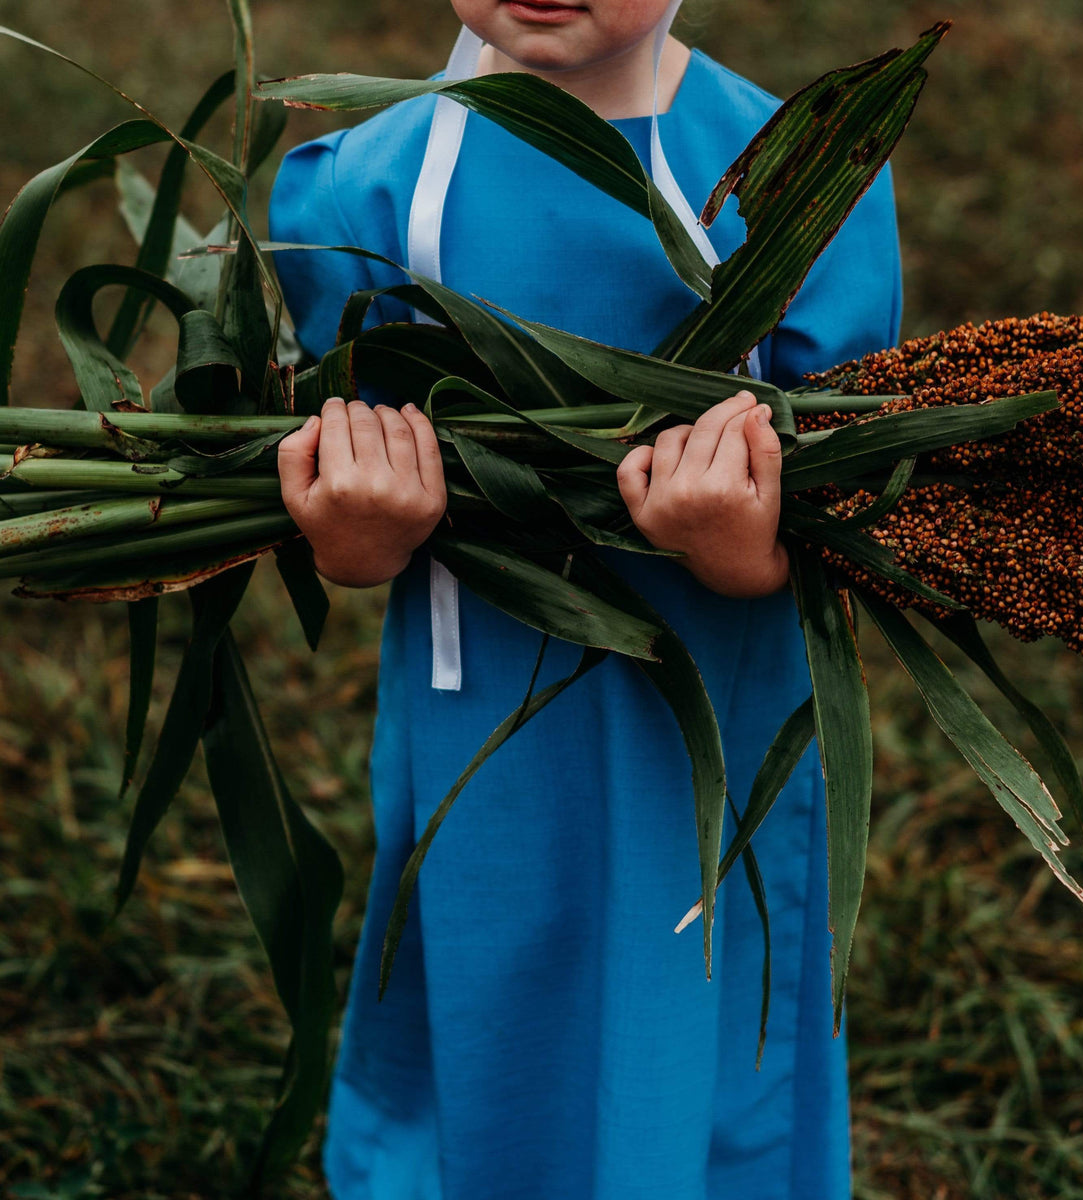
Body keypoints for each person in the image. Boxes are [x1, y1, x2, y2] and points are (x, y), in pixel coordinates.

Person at [269, 0, 901, 1195]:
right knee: (491, 968)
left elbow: (858, 526)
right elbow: (343, 476)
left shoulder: (791, 179)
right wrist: (357, 538)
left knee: (690, 998)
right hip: (486, 724)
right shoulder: (373, 188)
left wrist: (742, 550)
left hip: (706, 721)